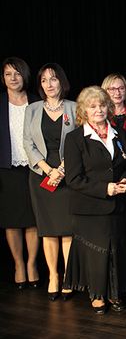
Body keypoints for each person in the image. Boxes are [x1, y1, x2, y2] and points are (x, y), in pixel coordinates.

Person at [63, 86, 126, 314]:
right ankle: (97, 295)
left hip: (117, 207)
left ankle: (115, 293)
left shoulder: (120, 134)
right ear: (83, 110)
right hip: (90, 210)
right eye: (92, 106)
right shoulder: (75, 139)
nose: (99, 110)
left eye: (102, 105)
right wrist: (106, 188)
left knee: (117, 250)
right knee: (98, 254)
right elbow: (74, 179)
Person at [23, 63, 76, 301]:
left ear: (61, 82)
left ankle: (68, 277)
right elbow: (28, 143)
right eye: (44, 80)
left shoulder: (74, 108)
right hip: (41, 176)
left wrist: (62, 169)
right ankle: (53, 276)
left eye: (53, 79)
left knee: (67, 231)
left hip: (68, 176)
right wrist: (47, 170)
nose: (49, 84)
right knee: (48, 231)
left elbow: (80, 142)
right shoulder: (32, 109)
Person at [0, 57, 40, 289]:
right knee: (11, 222)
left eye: (17, 73)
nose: (13, 78)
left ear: (24, 76)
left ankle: (32, 264)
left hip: (33, 169)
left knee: (32, 220)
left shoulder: (36, 102)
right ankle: (18, 265)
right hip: (7, 170)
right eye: (8, 74)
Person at [101, 73, 126, 281]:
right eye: (112, 89)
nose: (117, 92)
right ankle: (114, 269)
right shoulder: (98, 117)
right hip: (108, 179)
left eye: (121, 88)